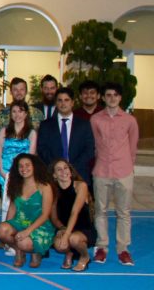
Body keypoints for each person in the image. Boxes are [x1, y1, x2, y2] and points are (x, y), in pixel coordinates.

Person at [90, 82, 139, 266]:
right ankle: (102, 247)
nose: (112, 98)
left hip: (124, 171)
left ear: (120, 98)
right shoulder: (95, 120)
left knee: (124, 212)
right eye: (108, 95)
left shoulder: (129, 121)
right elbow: (95, 144)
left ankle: (123, 249)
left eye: (115, 95)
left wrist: (128, 167)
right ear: (103, 97)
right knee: (100, 211)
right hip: (102, 171)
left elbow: (133, 147)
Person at [0, 154, 55, 268]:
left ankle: (36, 252)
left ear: (34, 167)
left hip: (40, 226)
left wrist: (27, 231)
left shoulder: (45, 186)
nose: (24, 169)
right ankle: (19, 251)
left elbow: (45, 215)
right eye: (21, 166)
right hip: (20, 223)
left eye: (27, 165)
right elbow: (12, 208)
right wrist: (5, 227)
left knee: (24, 242)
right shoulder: (15, 184)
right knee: (1, 229)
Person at [37, 88, 95, 186]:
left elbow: (89, 149)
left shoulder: (84, 124)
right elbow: (42, 149)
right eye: (60, 100)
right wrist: (58, 167)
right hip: (53, 175)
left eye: (66, 100)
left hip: (79, 174)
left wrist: (71, 167)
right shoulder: (45, 125)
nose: (63, 103)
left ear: (72, 103)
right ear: (56, 103)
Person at [50, 159, 95, 272]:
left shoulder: (80, 186)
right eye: (59, 170)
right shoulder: (54, 191)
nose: (63, 171)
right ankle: (69, 253)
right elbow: (54, 218)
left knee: (73, 239)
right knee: (60, 245)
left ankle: (85, 256)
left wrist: (66, 235)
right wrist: (62, 228)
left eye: (65, 168)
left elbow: (75, 212)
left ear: (70, 171)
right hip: (66, 227)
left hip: (83, 227)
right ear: (54, 175)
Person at [0, 100, 38, 189]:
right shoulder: (4, 131)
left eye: (20, 111)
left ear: (26, 114)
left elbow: (31, 157)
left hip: (23, 172)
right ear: (11, 114)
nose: (17, 114)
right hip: (4, 172)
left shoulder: (31, 133)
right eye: (14, 111)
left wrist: (23, 172)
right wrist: (1, 171)